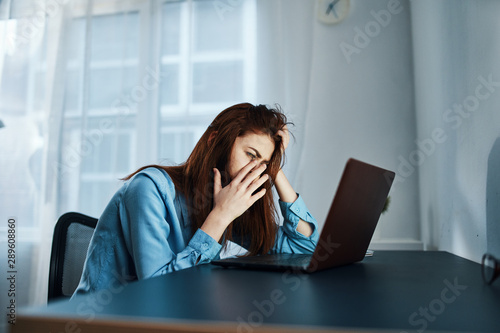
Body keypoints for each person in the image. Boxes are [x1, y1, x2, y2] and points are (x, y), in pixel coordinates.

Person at [73, 103, 318, 296]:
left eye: (262, 165)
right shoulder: (148, 189)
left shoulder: (227, 201)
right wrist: (219, 217)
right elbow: (158, 291)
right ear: (215, 140)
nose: (255, 171)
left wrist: (274, 168)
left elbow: (306, 249)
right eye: (250, 155)